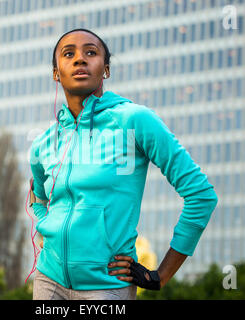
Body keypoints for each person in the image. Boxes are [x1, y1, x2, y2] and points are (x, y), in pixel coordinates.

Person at [28, 28, 218, 300]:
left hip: (106, 286)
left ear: (105, 70)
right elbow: (38, 197)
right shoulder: (44, 142)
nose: (80, 59)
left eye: (91, 52)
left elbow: (201, 195)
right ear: (56, 73)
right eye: (68, 54)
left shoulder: (134, 120)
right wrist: (50, 230)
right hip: (48, 282)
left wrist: (161, 275)